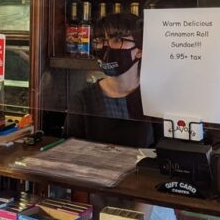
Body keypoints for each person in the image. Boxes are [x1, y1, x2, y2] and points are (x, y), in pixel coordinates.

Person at [66, 12, 158, 147]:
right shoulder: (82, 101)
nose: (106, 47)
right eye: (100, 41)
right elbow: (70, 152)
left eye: (117, 40)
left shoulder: (155, 100)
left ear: (140, 50)